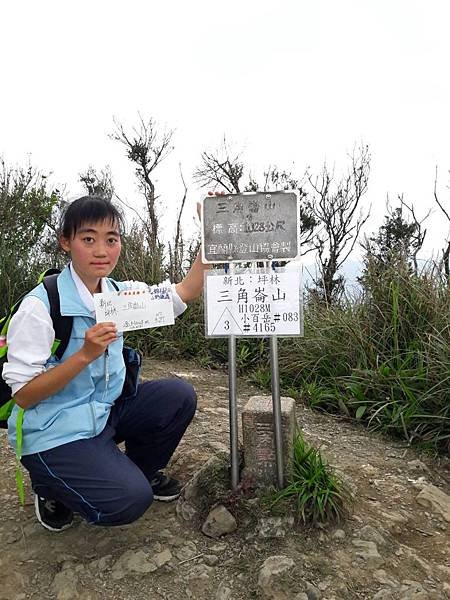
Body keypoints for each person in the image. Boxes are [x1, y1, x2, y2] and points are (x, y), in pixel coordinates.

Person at [2, 195, 210, 532]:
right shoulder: (40, 307)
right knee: (130, 501)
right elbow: (24, 395)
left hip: (102, 413)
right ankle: (51, 485)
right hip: (55, 430)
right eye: (88, 239)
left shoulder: (118, 296)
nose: (101, 250)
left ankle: (128, 473)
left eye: (111, 240)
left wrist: (210, 230)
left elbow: (184, 291)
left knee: (177, 396)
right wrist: (84, 356)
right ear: (65, 242)